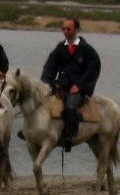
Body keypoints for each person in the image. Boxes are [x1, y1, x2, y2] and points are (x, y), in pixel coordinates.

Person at [40, 18, 102, 151]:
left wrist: (80, 86)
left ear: (76, 30)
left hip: (79, 89)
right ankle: (35, 131)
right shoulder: (60, 48)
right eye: (63, 29)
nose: (65, 32)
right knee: (40, 102)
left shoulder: (87, 50)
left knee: (70, 106)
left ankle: (70, 136)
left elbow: (93, 69)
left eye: (68, 29)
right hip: (61, 85)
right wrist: (46, 82)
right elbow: (50, 66)